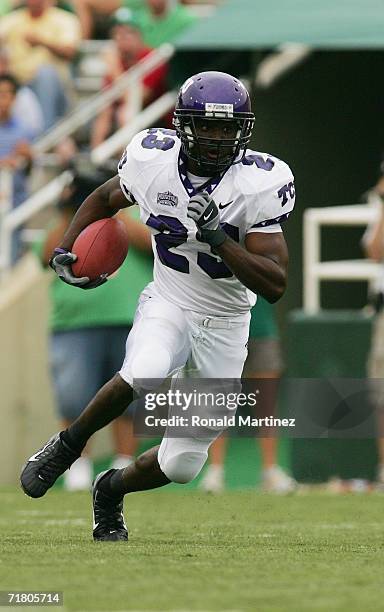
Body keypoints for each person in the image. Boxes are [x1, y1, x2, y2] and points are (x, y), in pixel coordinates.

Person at [20, 70, 295, 542]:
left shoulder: (259, 183)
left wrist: (219, 240)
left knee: (182, 465)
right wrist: (67, 245)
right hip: (170, 300)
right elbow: (106, 198)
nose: (217, 138)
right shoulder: (152, 158)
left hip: (227, 322)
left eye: (227, 128)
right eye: (207, 126)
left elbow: (275, 283)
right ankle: (66, 447)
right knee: (143, 367)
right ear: (183, 126)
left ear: (243, 131)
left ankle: (110, 490)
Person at [34, 170, 153, 489]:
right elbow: (47, 254)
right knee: (74, 397)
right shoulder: (68, 221)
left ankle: (123, 463)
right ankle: (77, 464)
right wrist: (72, 209)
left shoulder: (132, 215)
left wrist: (111, 208)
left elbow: (151, 245)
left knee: (129, 396)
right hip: (75, 323)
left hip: (130, 319)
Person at [201, 297, 297, 493]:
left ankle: (270, 470)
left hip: (262, 331)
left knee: (266, 405)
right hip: (223, 331)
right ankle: (215, 471)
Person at [90, 9, 167, 149]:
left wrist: (114, 68)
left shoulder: (152, 58)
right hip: (131, 116)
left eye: (127, 33)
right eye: (117, 33)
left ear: (139, 36)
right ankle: (94, 155)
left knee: (125, 113)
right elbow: (108, 101)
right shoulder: (119, 59)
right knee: (105, 108)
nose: (121, 38)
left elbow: (137, 98)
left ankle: (125, 162)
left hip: (159, 123)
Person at [0, 0, 81, 129]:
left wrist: (43, 42)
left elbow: (70, 53)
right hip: (18, 83)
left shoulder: (64, 19)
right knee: (5, 84)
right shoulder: (12, 20)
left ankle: (44, 135)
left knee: (45, 74)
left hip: (55, 88)